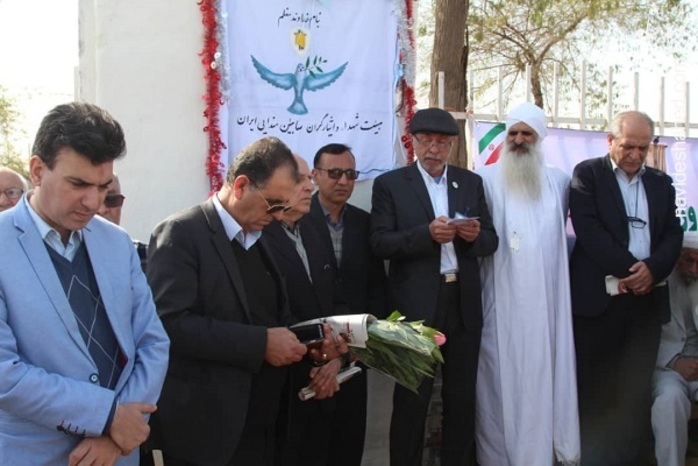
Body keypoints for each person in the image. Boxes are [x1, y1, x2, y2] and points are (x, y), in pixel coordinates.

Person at [147, 137, 345, 466]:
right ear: (240, 186)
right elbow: (170, 325)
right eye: (274, 204)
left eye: (283, 207)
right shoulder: (182, 233)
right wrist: (260, 344)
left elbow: (272, 317)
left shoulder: (259, 237)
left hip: (265, 424)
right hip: (208, 432)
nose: (278, 215)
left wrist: (310, 345)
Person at [0, 102, 170, 465]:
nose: (93, 202)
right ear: (37, 170)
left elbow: (152, 343)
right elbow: (5, 373)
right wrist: (106, 416)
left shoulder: (116, 243)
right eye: (78, 184)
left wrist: (118, 434)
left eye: (103, 187)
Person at [370, 107, 498, 466]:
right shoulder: (391, 184)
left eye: (442, 143)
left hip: (462, 302)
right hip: (416, 306)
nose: (433, 150)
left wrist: (473, 237)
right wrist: (425, 235)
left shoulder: (470, 183)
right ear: (412, 142)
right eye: (426, 141)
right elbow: (379, 243)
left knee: (461, 398)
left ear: (452, 146)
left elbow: (491, 241)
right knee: (412, 399)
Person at [570, 110, 683, 465]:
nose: (635, 155)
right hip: (598, 305)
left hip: (645, 305)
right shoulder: (587, 175)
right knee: (595, 390)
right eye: (628, 146)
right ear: (610, 141)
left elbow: (672, 234)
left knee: (634, 393)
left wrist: (652, 270)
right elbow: (589, 232)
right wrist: (634, 271)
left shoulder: (661, 183)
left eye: (643, 148)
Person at [475, 102, 580, 465]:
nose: (519, 140)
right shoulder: (484, 178)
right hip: (499, 300)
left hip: (545, 304)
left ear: (540, 137)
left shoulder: (559, 181)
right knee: (496, 379)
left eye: (527, 133)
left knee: (540, 376)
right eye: (513, 133)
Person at [307, 143, 388, 466]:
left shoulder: (364, 223)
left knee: (349, 442)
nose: (343, 181)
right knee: (310, 446)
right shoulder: (296, 219)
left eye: (351, 174)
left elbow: (376, 288)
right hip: (309, 354)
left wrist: (360, 344)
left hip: (354, 353)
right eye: (335, 173)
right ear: (315, 175)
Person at [265, 155, 346, 465]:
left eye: (309, 179)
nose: (309, 187)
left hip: (326, 377)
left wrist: (335, 358)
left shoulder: (314, 228)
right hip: (283, 386)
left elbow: (335, 298)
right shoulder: (259, 235)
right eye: (299, 180)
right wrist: (316, 358)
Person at [652, 231, 698, 466]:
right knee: (669, 401)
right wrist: (674, 362)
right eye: (688, 260)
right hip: (667, 368)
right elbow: (641, 336)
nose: (694, 269)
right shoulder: (657, 281)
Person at [97, 173, 148, 271]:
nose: (102, 210)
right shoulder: (70, 258)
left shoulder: (143, 254)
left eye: (112, 200)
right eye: (95, 200)